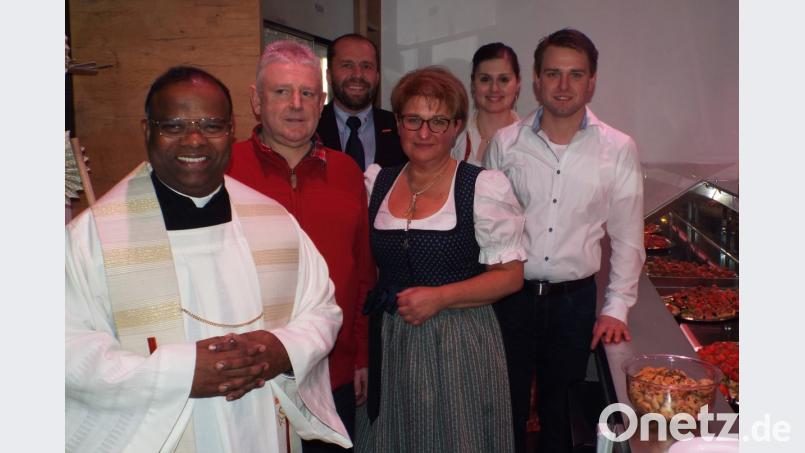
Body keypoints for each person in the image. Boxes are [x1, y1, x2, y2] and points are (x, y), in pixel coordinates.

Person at [65, 66, 350, 452]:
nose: (195, 140)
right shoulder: (92, 238)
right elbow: (65, 347)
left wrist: (282, 350)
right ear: (147, 130)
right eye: (175, 126)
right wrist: (180, 374)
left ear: (232, 130)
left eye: (212, 125)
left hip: (260, 427)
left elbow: (322, 310)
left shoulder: (275, 221)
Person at [484, 29, 646, 453]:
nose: (563, 85)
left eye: (575, 75)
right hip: (510, 296)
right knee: (504, 409)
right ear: (536, 80)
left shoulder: (619, 148)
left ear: (592, 81)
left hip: (574, 302)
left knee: (563, 415)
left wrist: (616, 308)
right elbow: (487, 229)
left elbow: (629, 237)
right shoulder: (505, 144)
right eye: (553, 73)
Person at [361, 66, 526, 452]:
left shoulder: (482, 186)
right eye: (413, 119)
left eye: (438, 122)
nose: (424, 133)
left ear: (456, 127)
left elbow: (510, 276)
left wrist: (440, 297)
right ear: (397, 124)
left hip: (459, 343)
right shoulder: (376, 183)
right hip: (390, 339)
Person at [227, 40, 375, 453]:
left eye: (307, 93)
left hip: (332, 375)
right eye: (281, 92)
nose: (296, 104)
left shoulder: (348, 173)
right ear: (256, 101)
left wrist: (360, 354)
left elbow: (362, 272)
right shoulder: (224, 169)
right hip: (251, 380)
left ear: (322, 100)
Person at [316, 33, 407, 170]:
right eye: (347, 65)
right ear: (329, 76)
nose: (358, 75)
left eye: (366, 66)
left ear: (377, 77)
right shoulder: (311, 127)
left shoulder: (401, 128)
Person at [451, 42, 521, 166]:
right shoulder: (453, 136)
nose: (494, 88)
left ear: (518, 84)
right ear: (473, 84)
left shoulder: (532, 142)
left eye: (503, 79)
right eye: (485, 79)